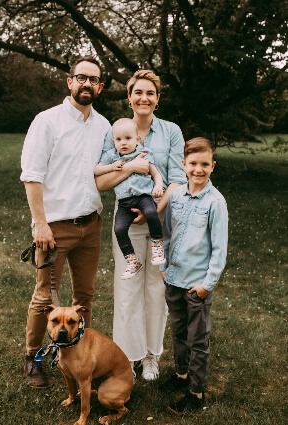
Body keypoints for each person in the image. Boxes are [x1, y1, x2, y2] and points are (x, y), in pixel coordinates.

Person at [20, 56, 110, 388]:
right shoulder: (47, 122)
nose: (87, 84)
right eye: (81, 77)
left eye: (94, 80)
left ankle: (75, 354)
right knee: (46, 298)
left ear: (99, 87)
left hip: (91, 225)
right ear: (69, 81)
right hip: (54, 228)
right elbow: (31, 176)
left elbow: (105, 173)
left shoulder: (104, 126)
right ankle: (33, 358)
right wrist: (39, 223)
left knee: (84, 296)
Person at [95, 70, 187, 380]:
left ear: (157, 98)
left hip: (160, 221)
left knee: (155, 289)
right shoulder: (116, 130)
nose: (144, 98)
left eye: (150, 93)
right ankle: (126, 358)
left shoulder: (171, 131)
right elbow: (102, 179)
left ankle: (150, 356)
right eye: (138, 92)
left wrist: (153, 210)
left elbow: (178, 179)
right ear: (129, 97)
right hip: (127, 223)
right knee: (127, 289)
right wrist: (131, 167)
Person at [159, 137, 228, 414]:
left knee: (197, 339)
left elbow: (219, 249)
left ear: (212, 166)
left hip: (196, 285)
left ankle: (196, 393)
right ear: (184, 164)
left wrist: (206, 285)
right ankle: (181, 376)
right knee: (178, 332)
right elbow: (166, 233)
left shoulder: (215, 202)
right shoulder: (175, 196)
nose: (198, 170)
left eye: (204, 164)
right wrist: (164, 266)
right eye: (193, 164)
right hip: (174, 279)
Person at [94, 118, 166, 280]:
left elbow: (155, 174)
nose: (123, 143)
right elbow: (97, 170)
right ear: (114, 141)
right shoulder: (112, 156)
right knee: (118, 228)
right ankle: (132, 260)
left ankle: (157, 244)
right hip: (124, 203)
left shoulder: (144, 153)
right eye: (119, 140)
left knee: (150, 211)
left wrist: (158, 186)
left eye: (128, 138)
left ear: (137, 139)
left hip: (143, 197)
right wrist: (111, 167)